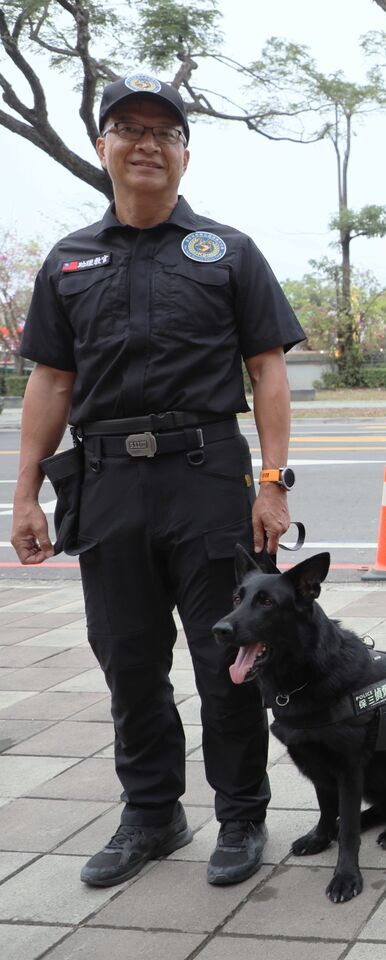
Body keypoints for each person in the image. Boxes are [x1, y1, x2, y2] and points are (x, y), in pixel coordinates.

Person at [10, 73, 304, 888]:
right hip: (105, 484)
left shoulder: (228, 251)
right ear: (103, 146)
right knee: (128, 658)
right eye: (128, 128)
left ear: (184, 152)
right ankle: (152, 812)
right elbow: (51, 383)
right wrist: (25, 492)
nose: (146, 143)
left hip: (207, 478)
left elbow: (268, 372)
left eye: (164, 131)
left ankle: (240, 815)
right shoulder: (70, 260)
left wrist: (273, 481)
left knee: (231, 659)